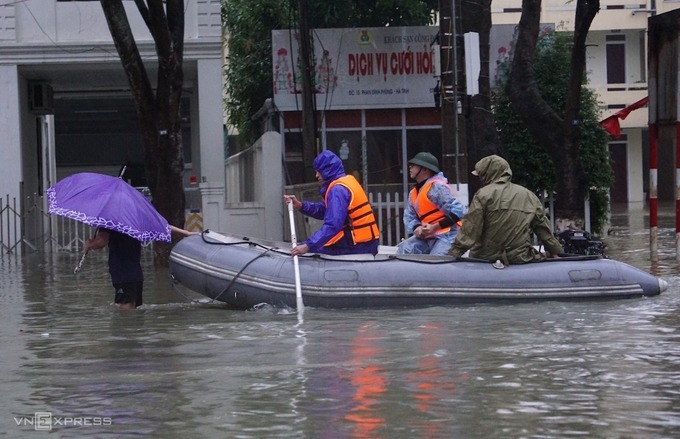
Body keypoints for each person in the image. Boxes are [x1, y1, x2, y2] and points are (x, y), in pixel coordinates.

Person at [448, 154, 563, 264]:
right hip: (521, 258)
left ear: (487, 174)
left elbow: (471, 229)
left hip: (485, 259)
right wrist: (556, 251)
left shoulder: (483, 195)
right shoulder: (528, 195)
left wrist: (454, 254)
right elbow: (543, 228)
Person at [283, 150, 380, 256]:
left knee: (311, 251)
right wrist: (301, 205)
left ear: (327, 171)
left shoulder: (337, 190)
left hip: (357, 246)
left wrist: (308, 245)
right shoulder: (345, 182)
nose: (316, 175)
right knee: (313, 246)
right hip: (364, 243)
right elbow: (325, 210)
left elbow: (333, 225)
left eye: (319, 171)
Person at [84, 225, 199, 309]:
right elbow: (160, 225)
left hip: (122, 271)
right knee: (133, 307)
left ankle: (127, 338)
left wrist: (89, 244)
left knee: (126, 308)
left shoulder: (110, 220)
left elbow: (101, 242)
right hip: (135, 272)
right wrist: (185, 233)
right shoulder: (135, 219)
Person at [397, 152, 467, 255]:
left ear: (425, 169)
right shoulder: (414, 192)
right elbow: (409, 216)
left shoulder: (437, 187)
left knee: (436, 259)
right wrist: (417, 228)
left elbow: (459, 211)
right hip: (427, 236)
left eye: (414, 165)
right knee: (404, 249)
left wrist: (435, 227)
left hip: (447, 235)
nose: (410, 167)